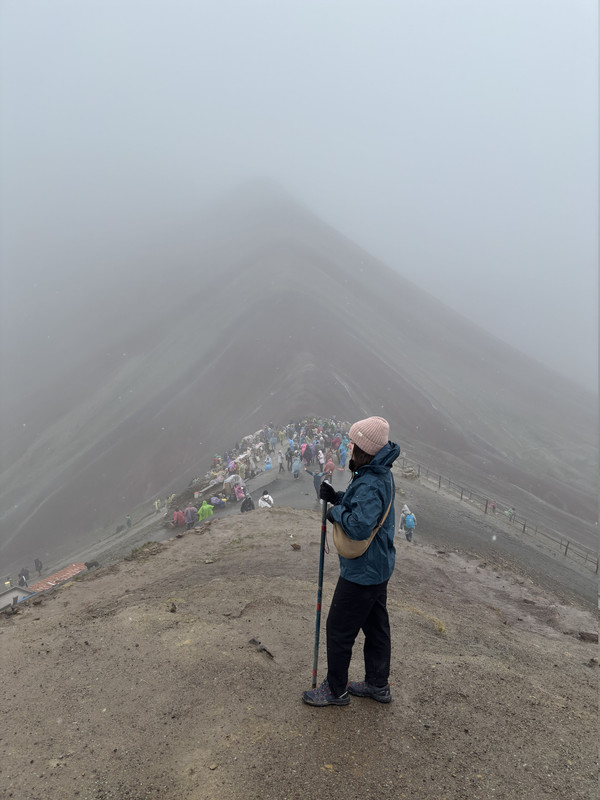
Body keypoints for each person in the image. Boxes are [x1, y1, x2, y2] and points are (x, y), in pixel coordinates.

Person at [302, 416, 400, 707]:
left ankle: (335, 690)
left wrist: (335, 513)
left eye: (353, 443)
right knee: (376, 626)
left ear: (364, 448)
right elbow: (364, 507)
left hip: (363, 572)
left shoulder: (371, 481)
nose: (349, 446)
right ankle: (377, 684)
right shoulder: (379, 473)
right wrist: (338, 498)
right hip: (378, 566)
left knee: (339, 628)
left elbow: (358, 526)